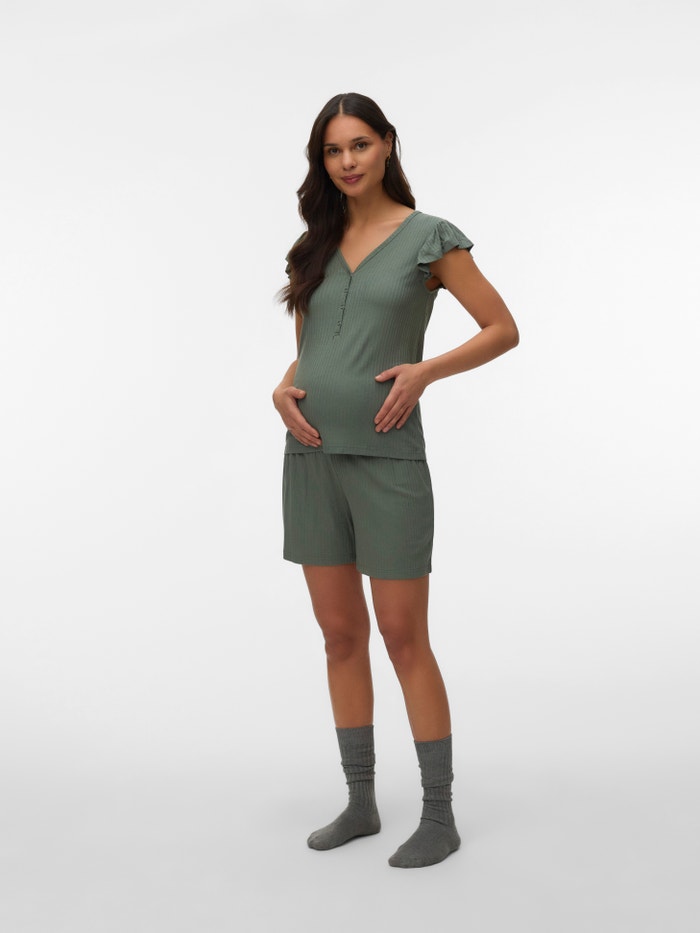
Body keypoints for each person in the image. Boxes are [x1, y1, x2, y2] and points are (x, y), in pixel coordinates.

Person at [273, 92, 519, 869]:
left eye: (359, 144)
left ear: (386, 145)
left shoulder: (428, 237)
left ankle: (438, 814)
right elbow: (312, 349)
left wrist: (425, 371)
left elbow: (502, 328)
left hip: (387, 458)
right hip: (311, 456)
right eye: (332, 150)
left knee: (405, 637)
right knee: (340, 636)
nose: (347, 161)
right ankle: (361, 799)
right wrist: (282, 386)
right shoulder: (312, 247)